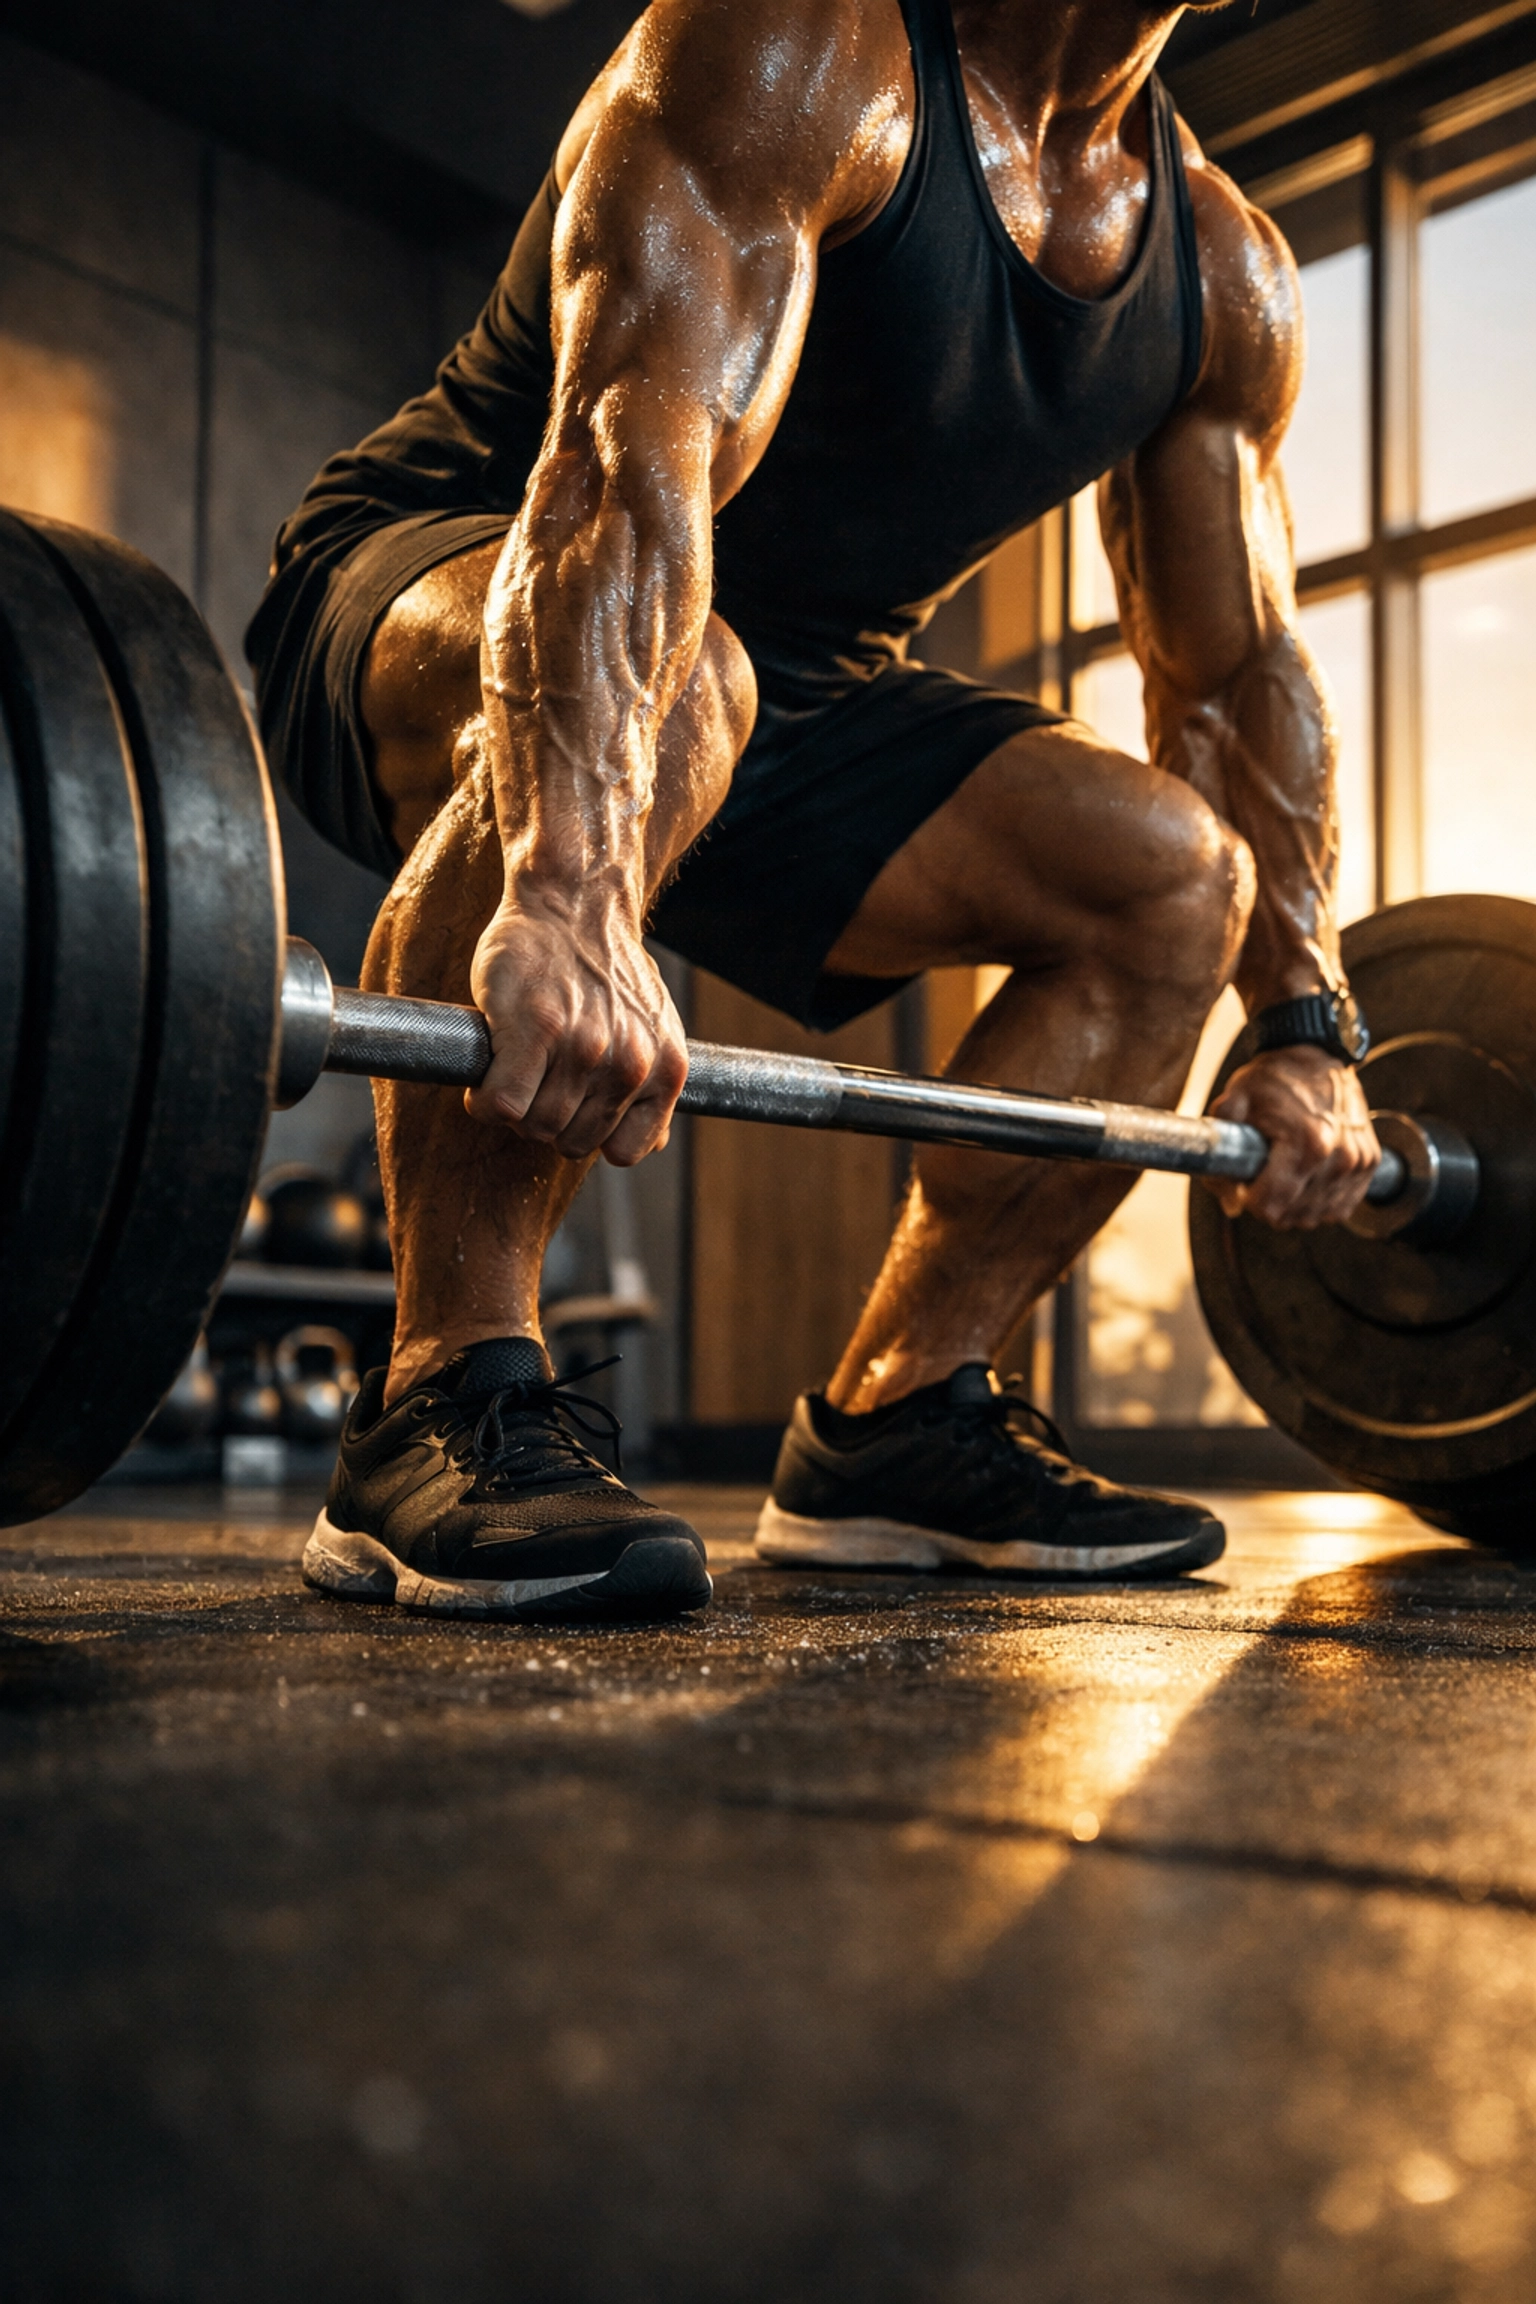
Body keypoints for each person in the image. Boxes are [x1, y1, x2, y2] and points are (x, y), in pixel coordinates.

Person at [248, 0, 1380, 1626]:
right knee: (685, 682)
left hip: (794, 695)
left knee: (1171, 881)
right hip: (458, 564)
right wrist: (569, 882)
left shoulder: (1223, 272)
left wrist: (1306, 1018)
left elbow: (1234, 673)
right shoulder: (803, 48)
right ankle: (443, 1395)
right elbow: (636, 454)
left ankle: (900, 1420)